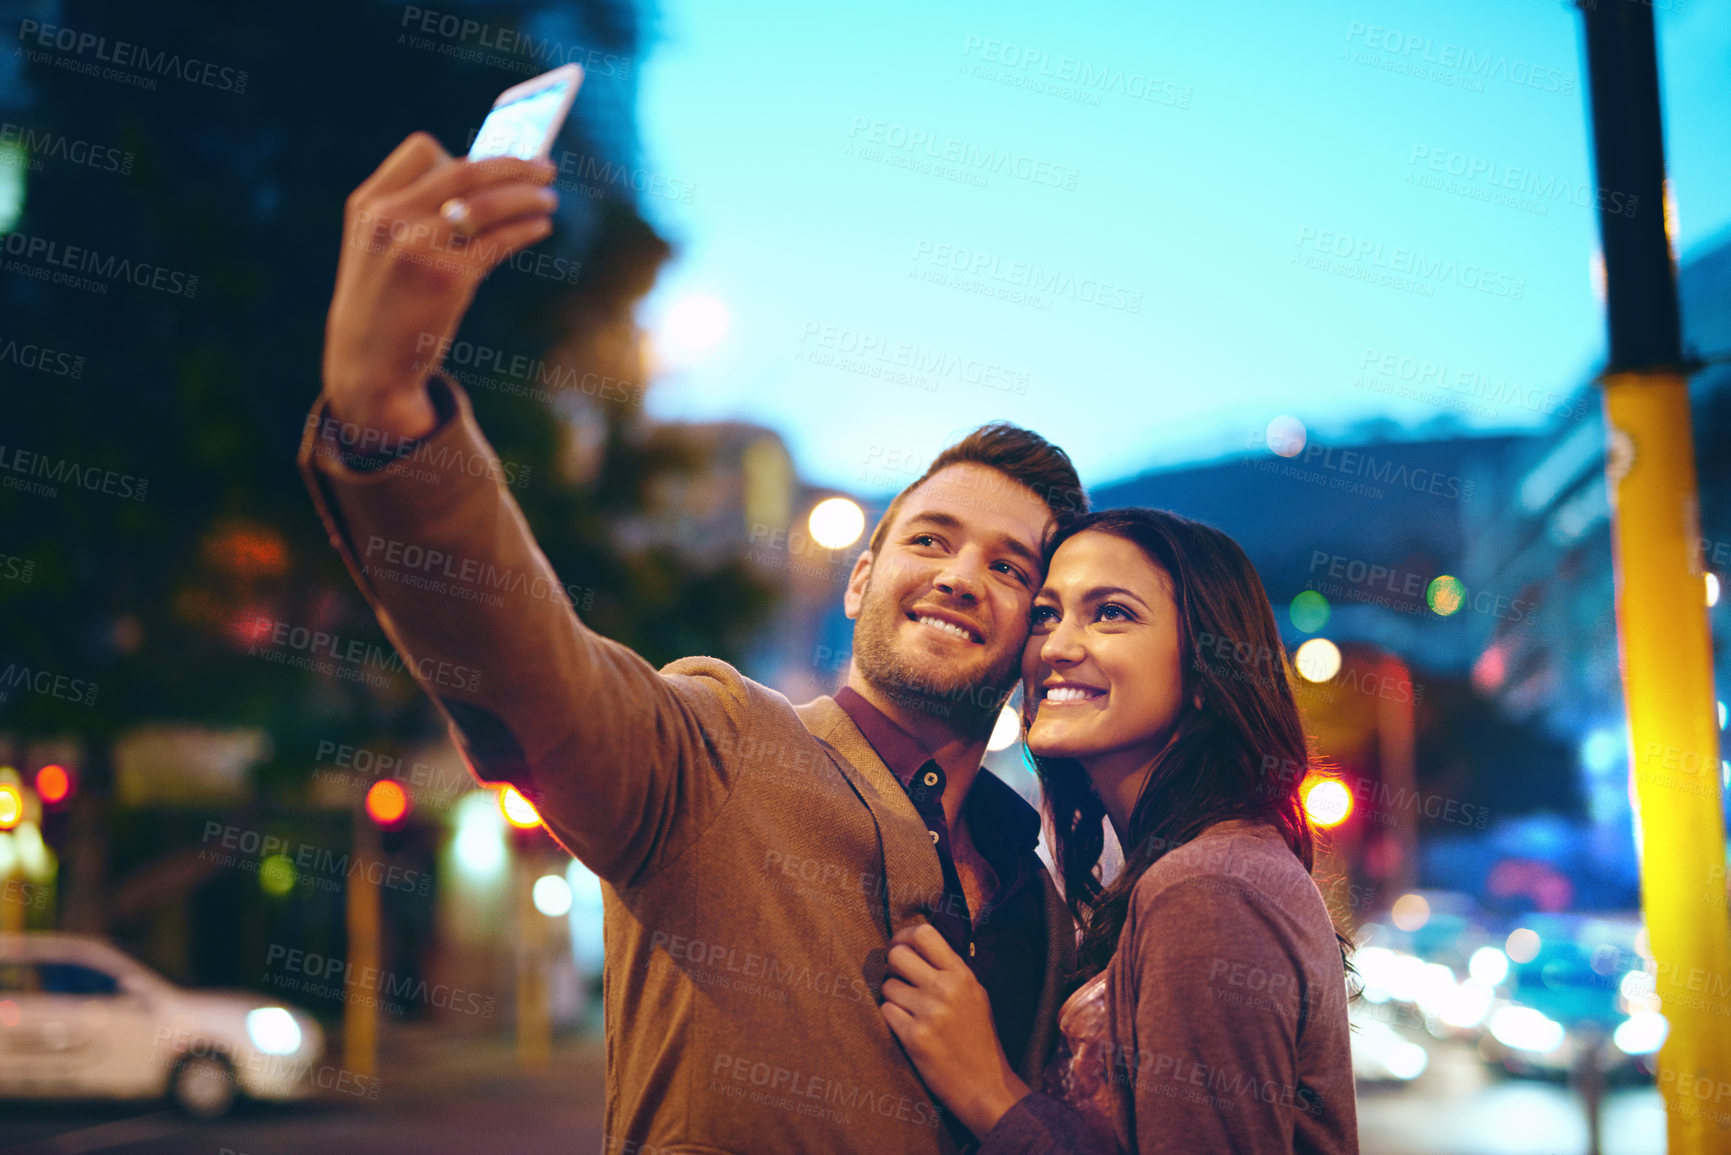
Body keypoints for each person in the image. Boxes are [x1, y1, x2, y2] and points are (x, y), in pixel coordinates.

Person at [298, 134, 1089, 1154]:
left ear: (1037, 625)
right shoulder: (712, 751)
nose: (959, 575)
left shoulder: (1037, 888)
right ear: (861, 579)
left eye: (1011, 567)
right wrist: (390, 422)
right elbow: (535, 671)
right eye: (930, 539)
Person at [879, 508, 1359, 1154]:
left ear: (1204, 671)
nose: (1055, 646)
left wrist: (987, 1089)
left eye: (1110, 613)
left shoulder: (1208, 887)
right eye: (1045, 615)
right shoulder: (1203, 868)